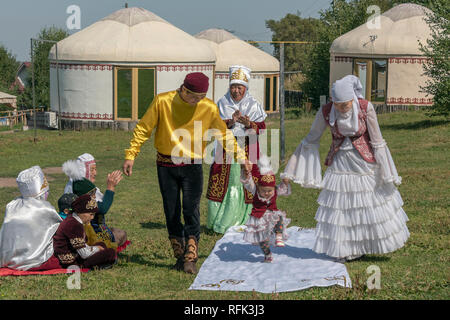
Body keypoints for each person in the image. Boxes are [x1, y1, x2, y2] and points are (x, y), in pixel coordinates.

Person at [122, 72, 246, 274]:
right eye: (193, 97)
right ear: (183, 89)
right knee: (171, 211)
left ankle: (191, 256)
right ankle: (179, 254)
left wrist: (242, 158)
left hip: (192, 165)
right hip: (166, 165)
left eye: (201, 97)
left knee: (191, 209)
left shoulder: (208, 107)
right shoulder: (162, 101)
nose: (197, 101)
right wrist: (131, 154)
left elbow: (224, 135)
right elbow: (144, 128)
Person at [281, 75, 410, 262]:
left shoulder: (366, 108)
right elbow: (311, 138)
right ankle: (345, 248)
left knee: (366, 202)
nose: (341, 108)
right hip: (340, 162)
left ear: (353, 99)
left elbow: (377, 140)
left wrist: (387, 169)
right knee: (341, 204)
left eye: (345, 104)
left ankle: (366, 243)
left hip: (364, 163)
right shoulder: (326, 111)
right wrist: (290, 170)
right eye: (337, 104)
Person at [206, 65, 268, 234]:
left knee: (246, 181)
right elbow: (214, 126)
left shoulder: (254, 105)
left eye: (239, 87)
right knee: (230, 181)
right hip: (226, 150)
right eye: (233, 87)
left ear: (245, 88)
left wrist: (249, 124)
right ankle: (223, 219)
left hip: (248, 148)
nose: (236, 91)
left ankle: (247, 218)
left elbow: (261, 128)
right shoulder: (221, 103)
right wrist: (231, 122)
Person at [0, 166, 62, 270]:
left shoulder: (12, 205)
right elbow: (61, 228)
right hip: (33, 260)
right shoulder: (44, 208)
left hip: (7, 259)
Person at [62, 154, 127, 249]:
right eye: (92, 169)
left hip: (93, 228)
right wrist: (110, 188)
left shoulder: (82, 185)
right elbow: (102, 208)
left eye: (95, 169)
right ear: (83, 170)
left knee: (120, 234)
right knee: (120, 235)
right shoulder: (79, 187)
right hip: (85, 234)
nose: (95, 173)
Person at [241, 156, 291, 263]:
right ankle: (267, 254)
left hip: (272, 214)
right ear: (258, 187)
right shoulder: (254, 189)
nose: (267, 193)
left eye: (270, 191)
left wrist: (286, 181)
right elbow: (248, 183)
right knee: (262, 240)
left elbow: (283, 189)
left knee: (279, 217)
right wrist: (246, 173)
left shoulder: (276, 190)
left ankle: (278, 236)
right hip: (259, 218)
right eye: (264, 191)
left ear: (274, 188)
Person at [52, 193, 117, 269]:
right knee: (110, 253)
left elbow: (82, 246)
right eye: (91, 214)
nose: (92, 217)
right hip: (71, 262)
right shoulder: (74, 225)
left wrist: (97, 248)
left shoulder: (74, 220)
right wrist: (97, 249)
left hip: (76, 253)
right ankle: (89, 265)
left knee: (102, 244)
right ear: (81, 212)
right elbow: (84, 254)